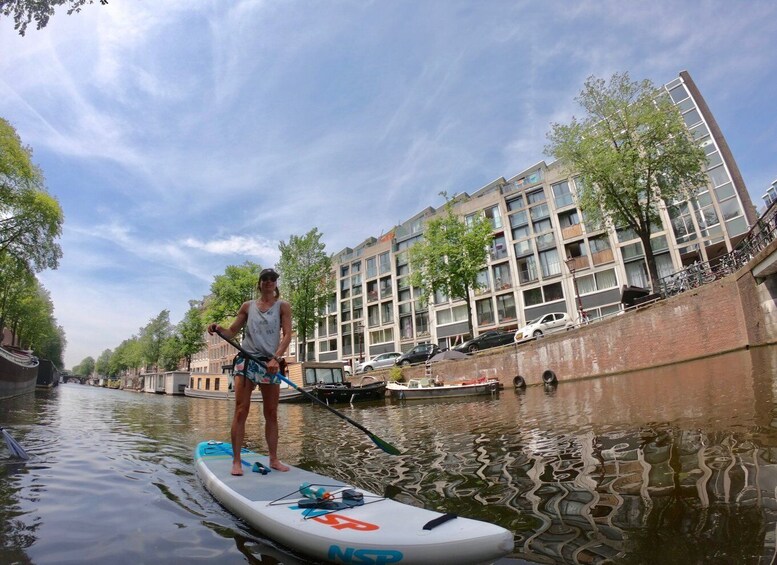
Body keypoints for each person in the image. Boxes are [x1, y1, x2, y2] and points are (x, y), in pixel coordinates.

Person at [208, 268, 292, 475]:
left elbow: (288, 335)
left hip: (269, 364)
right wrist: (218, 329)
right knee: (241, 410)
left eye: (273, 279)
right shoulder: (248, 306)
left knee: (271, 413)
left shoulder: (283, 307)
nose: (269, 281)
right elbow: (231, 331)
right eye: (265, 279)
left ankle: (273, 459)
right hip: (246, 362)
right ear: (259, 283)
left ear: (276, 283)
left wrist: (276, 358)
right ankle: (236, 461)